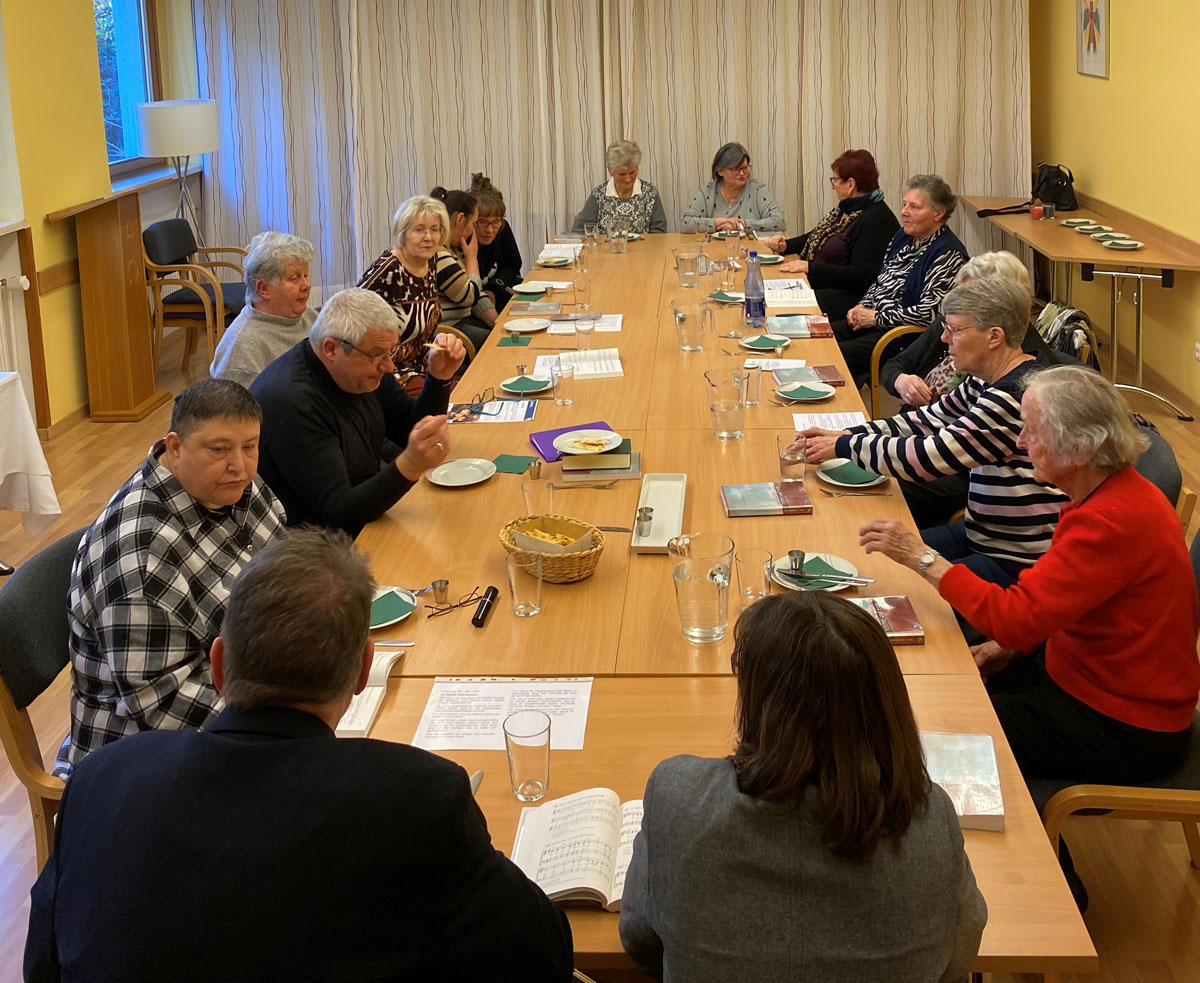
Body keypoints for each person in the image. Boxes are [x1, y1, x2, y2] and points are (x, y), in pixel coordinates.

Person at [26, 529, 574, 982]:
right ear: (364, 670)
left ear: (219, 666)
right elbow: (543, 955)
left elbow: (43, 967)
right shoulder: (418, 797)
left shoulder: (100, 777)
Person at [859, 366, 1200, 909]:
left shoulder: (1107, 520)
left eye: (1032, 433)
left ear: (1080, 446)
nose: (1019, 444)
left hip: (1122, 724)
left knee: (945, 738)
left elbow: (1016, 615)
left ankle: (1051, 895)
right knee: (945, 696)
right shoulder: (1109, 493)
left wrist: (921, 557)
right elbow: (1058, 609)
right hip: (1093, 680)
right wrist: (1009, 648)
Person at [619, 590, 986, 981]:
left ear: (763, 700)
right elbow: (956, 962)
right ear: (885, 700)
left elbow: (641, 943)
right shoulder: (931, 823)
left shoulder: (678, 799)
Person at [63, 380, 285, 768]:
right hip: (144, 765)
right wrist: (293, 714)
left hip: (254, 690)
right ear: (175, 446)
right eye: (219, 449)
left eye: (250, 446)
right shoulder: (141, 559)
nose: (240, 465)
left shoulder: (227, 483)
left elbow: (288, 574)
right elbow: (165, 711)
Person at [803, 277, 1068, 595]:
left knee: (885, 586)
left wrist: (845, 445)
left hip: (1015, 560)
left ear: (994, 337)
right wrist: (845, 434)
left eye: (954, 330)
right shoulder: (984, 379)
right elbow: (925, 421)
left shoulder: (1015, 394)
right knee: (864, 558)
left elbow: (929, 457)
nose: (943, 339)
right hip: (980, 533)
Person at [250, 288, 463, 537]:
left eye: (390, 352)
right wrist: (408, 466)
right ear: (331, 349)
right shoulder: (293, 402)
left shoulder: (360, 367)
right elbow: (337, 513)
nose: (389, 365)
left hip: (365, 514)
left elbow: (410, 429)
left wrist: (438, 379)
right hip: (319, 547)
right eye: (378, 355)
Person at [832, 173, 969, 384]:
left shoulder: (947, 253)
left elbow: (930, 314)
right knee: (820, 338)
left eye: (914, 207)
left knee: (832, 356)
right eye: (904, 204)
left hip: (900, 337)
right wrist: (861, 306)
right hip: (873, 321)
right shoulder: (903, 236)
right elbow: (881, 279)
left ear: (938, 213)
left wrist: (876, 318)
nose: (904, 212)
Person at [882, 251, 1055, 410]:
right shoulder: (950, 324)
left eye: (972, 297)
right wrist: (901, 381)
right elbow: (895, 365)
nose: (961, 303)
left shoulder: (1020, 370)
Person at [765, 149, 899, 323]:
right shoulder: (848, 208)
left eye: (835, 180)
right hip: (825, 285)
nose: (833, 185)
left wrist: (811, 267)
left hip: (850, 298)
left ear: (850, 184)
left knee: (776, 309)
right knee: (768, 290)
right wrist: (786, 246)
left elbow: (862, 275)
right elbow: (817, 236)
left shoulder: (876, 218)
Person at [357, 195, 445, 386]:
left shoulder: (430, 260)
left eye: (434, 230)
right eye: (419, 230)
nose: (428, 237)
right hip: (388, 374)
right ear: (403, 234)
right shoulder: (389, 267)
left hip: (421, 368)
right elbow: (350, 312)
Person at [210, 231, 317, 388]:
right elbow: (235, 411)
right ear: (264, 288)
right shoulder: (241, 351)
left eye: (305, 276)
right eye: (294, 278)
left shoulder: (306, 315)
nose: (307, 285)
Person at [430, 185, 496, 356]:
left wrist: (498, 322)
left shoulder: (451, 250)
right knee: (497, 347)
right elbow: (470, 296)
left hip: (463, 322)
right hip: (450, 331)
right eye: (473, 224)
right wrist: (472, 258)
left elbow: (477, 293)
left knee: (504, 337)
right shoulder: (440, 254)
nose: (473, 230)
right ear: (460, 219)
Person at [679, 141, 784, 234]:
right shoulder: (707, 192)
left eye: (745, 168)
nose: (742, 173)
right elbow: (685, 223)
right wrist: (718, 223)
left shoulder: (757, 190)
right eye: (736, 169)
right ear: (720, 171)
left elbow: (779, 221)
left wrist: (742, 225)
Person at [571, 140, 667, 235]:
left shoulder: (650, 192)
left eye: (632, 172)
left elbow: (659, 232)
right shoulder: (599, 194)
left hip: (644, 249)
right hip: (606, 249)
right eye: (622, 174)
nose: (628, 179)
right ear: (610, 171)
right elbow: (580, 230)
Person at [471, 172, 523, 311]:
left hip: (497, 289)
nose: (489, 230)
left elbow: (513, 264)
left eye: (495, 221)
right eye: (482, 222)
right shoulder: (462, 242)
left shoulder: (501, 228)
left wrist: (493, 288)